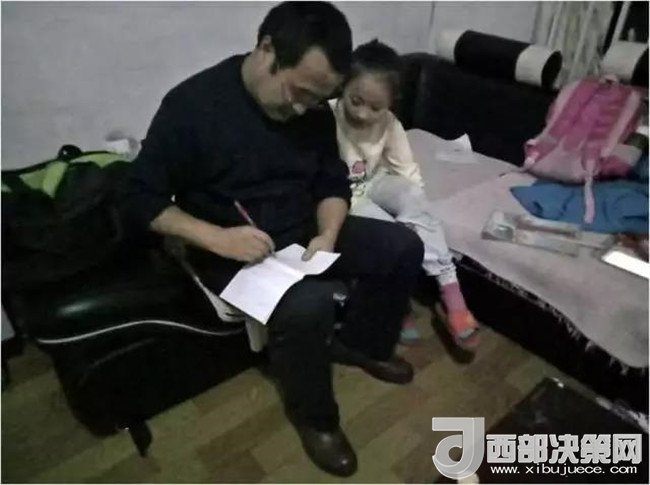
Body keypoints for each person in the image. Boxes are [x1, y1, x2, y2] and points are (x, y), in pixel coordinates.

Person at [123, 2, 423, 477]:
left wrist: (328, 233)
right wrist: (217, 238)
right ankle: (317, 420)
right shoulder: (193, 107)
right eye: (298, 92)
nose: (303, 108)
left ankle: (361, 345)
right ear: (267, 50)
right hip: (229, 249)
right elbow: (140, 197)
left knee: (403, 248)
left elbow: (331, 182)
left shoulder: (313, 111)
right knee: (309, 304)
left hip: (301, 235)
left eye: (318, 98)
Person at [329, 40, 480, 351]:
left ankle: (451, 293)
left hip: (375, 180)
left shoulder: (390, 124)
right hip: (344, 196)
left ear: (391, 103)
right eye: (356, 101)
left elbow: (407, 170)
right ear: (343, 85)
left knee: (413, 198)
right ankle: (398, 303)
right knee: (393, 238)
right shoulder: (328, 115)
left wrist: (417, 213)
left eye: (376, 108)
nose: (363, 114)